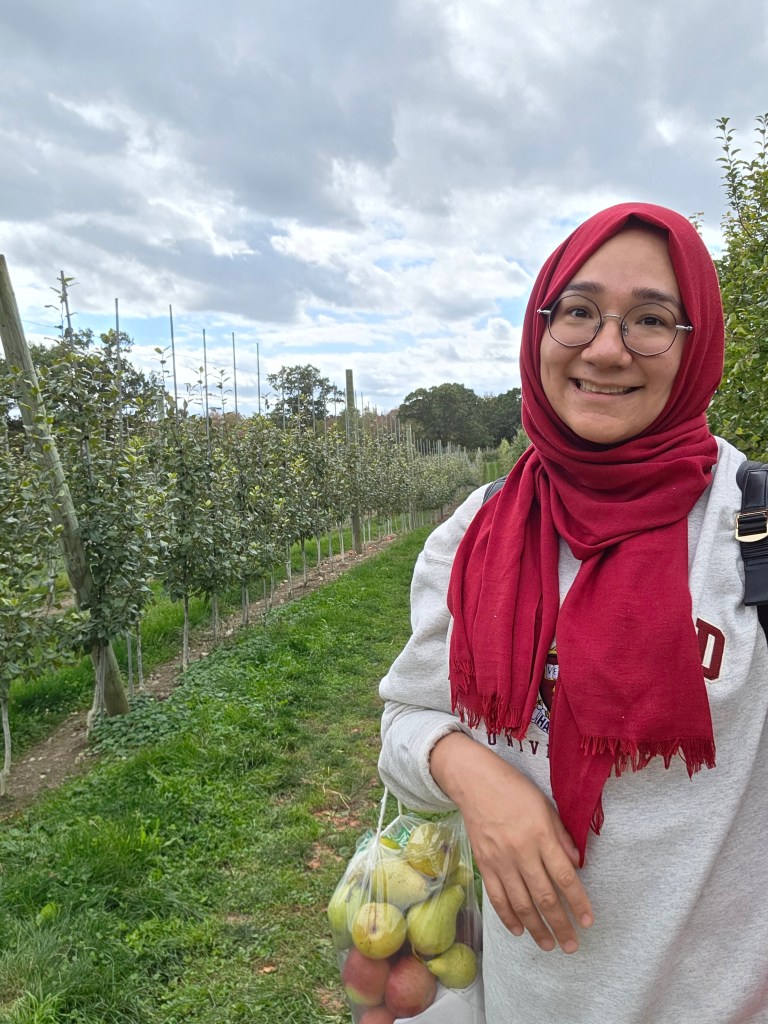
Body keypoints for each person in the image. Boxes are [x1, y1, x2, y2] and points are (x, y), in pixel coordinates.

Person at [378, 202, 768, 1024]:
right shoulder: (476, 533)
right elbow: (406, 722)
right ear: (541, 328)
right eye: (579, 311)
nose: (606, 348)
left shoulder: (751, 533)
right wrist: (473, 774)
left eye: (651, 320)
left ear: (697, 347)